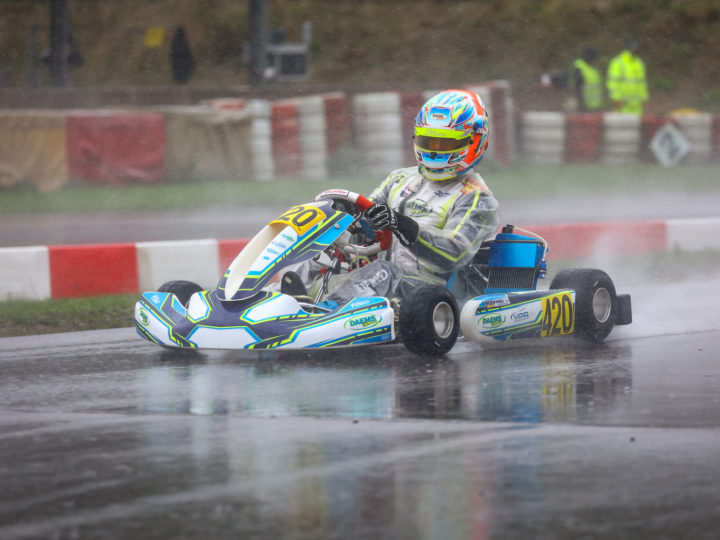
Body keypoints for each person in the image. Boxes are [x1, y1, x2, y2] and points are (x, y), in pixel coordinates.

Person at [282, 89, 500, 307]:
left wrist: (403, 226)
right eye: (428, 141)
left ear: (475, 141)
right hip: (384, 280)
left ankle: (329, 313)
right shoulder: (400, 179)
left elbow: (454, 253)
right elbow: (367, 217)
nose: (434, 152)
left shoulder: (476, 197)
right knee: (319, 255)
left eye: (445, 144)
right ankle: (277, 301)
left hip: (434, 290)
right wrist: (346, 218)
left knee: (382, 271)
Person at [606, 37, 648, 114]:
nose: (635, 49)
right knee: (622, 125)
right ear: (628, 48)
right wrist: (616, 98)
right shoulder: (618, 62)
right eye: (633, 47)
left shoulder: (639, 62)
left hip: (637, 107)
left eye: (636, 47)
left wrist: (644, 98)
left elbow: (642, 83)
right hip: (622, 106)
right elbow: (613, 83)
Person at [572, 46, 603, 112]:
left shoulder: (592, 69)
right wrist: (582, 106)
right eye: (595, 58)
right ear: (590, 58)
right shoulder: (579, 68)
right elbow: (578, 89)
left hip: (594, 108)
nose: (596, 61)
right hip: (585, 109)